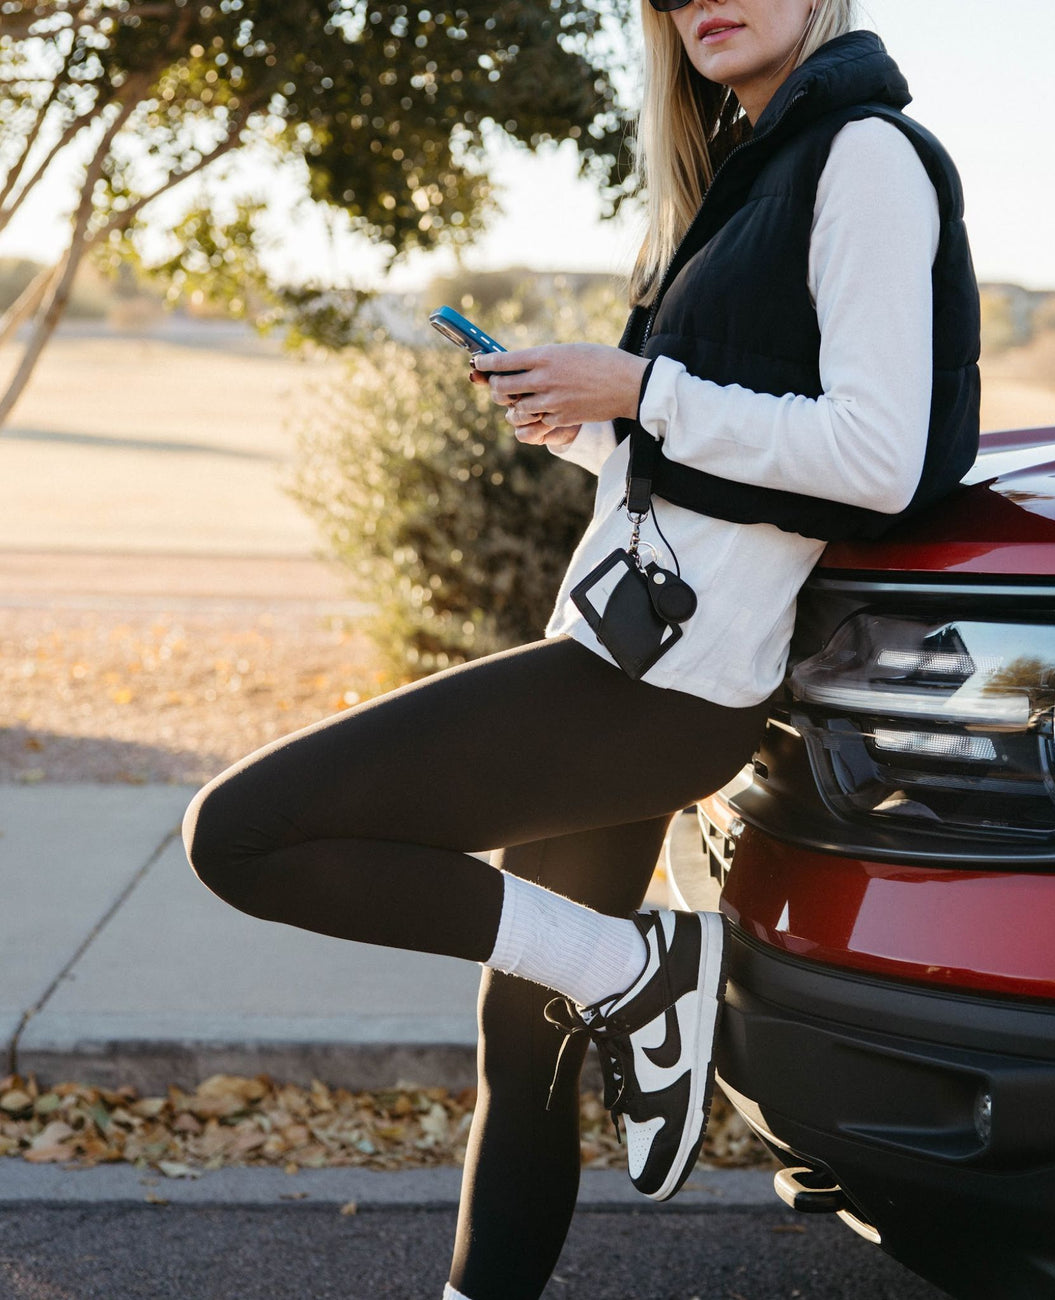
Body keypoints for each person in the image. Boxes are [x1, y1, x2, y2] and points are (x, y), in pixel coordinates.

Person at [182, 0, 979, 1296]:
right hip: (629, 655)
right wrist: (590, 428)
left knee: (240, 833)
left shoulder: (866, 155)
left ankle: (639, 969)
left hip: (664, 688)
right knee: (522, 1032)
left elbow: (876, 456)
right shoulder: (742, 176)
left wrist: (640, 387)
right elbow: (718, 463)